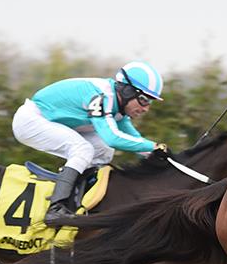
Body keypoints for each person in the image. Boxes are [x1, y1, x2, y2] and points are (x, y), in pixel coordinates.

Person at [12, 61, 168, 224]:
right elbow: (113, 138)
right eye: (144, 99)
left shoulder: (119, 105)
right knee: (83, 149)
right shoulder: (101, 97)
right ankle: (56, 208)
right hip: (31, 120)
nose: (146, 108)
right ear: (127, 91)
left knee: (104, 149)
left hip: (52, 121)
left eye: (150, 102)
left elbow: (136, 140)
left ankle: (80, 196)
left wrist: (159, 155)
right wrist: (153, 147)